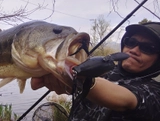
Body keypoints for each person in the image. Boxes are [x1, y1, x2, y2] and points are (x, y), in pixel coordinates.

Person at [31, 22, 160, 121]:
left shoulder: (154, 91)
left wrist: (80, 78)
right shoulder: (104, 70)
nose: (134, 50)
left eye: (147, 48)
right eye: (131, 42)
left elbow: (126, 100)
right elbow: (37, 83)